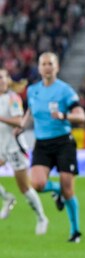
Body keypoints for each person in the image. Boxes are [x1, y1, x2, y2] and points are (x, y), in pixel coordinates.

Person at [21, 52, 85, 243]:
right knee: (37, 184)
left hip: (63, 143)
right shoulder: (33, 90)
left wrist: (64, 116)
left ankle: (75, 231)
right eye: (43, 64)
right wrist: (20, 127)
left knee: (69, 191)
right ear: (39, 68)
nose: (47, 67)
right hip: (42, 143)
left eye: (50, 64)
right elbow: (29, 112)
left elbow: (81, 116)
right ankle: (56, 190)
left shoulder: (65, 91)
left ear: (56, 67)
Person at [0, 68, 48, 234]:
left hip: (14, 147)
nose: (1, 81)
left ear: (8, 80)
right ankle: (7, 198)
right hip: (1, 146)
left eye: (2, 77)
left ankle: (42, 217)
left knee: (24, 187)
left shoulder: (13, 98)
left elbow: (19, 122)